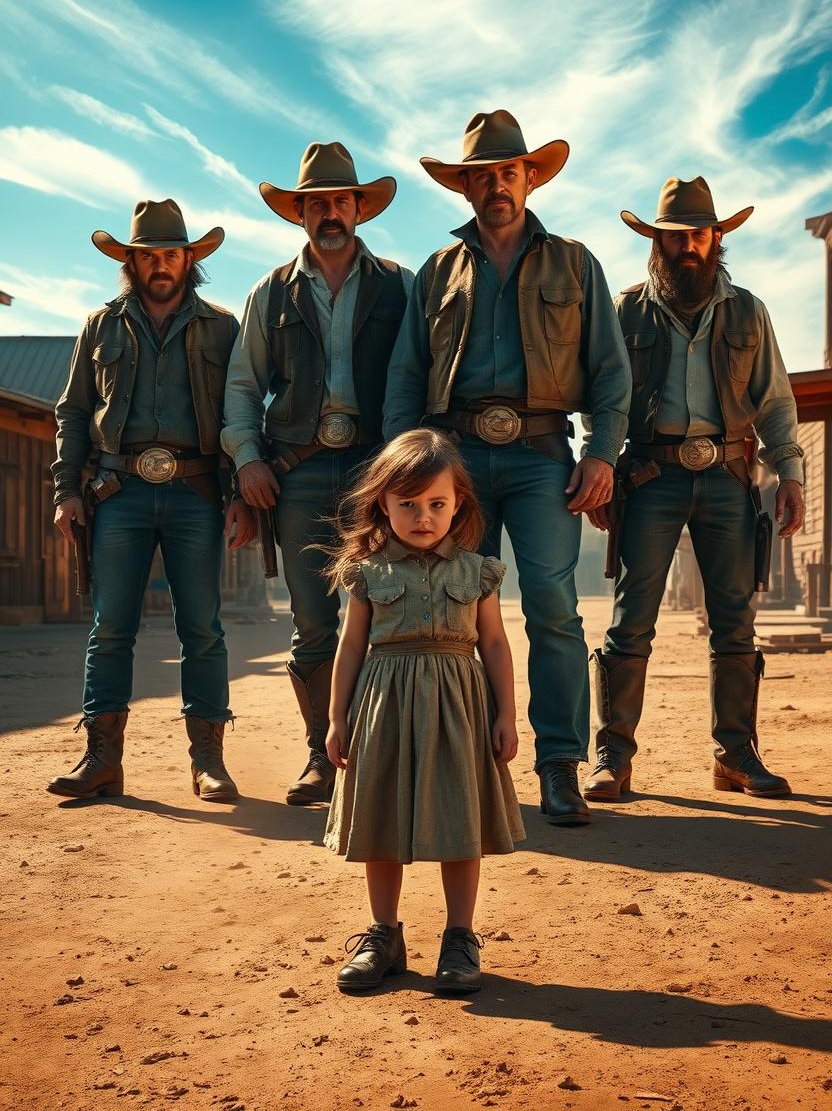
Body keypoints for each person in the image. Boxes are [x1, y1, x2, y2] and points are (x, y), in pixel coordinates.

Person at [384, 110, 631, 826]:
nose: (497, 185)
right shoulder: (437, 271)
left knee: (554, 607)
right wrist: (407, 467)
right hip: (451, 458)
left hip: (542, 456)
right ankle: (464, 762)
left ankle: (559, 767)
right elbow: (408, 372)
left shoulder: (576, 262)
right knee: (453, 607)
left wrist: (603, 453)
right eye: (483, 176)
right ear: (465, 189)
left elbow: (610, 372)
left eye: (509, 172)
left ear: (529, 179)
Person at [585, 177, 804, 801]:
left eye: (700, 235)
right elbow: (600, 399)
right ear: (656, 241)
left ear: (717, 240)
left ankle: (736, 756)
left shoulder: (748, 310)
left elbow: (776, 401)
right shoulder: (624, 310)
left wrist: (789, 473)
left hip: (731, 476)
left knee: (735, 623)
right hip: (648, 478)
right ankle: (613, 759)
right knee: (631, 621)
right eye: (676, 235)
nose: (689, 245)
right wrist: (599, 468)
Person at [222, 142, 413, 806]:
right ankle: (320, 757)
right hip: (296, 473)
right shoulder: (269, 293)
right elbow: (244, 387)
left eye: (340, 201)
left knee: (389, 612)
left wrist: (411, 466)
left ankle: (382, 757)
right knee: (312, 622)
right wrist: (247, 460)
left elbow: (416, 374)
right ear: (299, 213)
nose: (330, 212)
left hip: (379, 472)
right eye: (316, 204)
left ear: (359, 208)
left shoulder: (400, 284)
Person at [49, 199, 255, 802]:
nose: (160, 265)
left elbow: (240, 411)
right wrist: (66, 491)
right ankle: (102, 760)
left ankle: (208, 762)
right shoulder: (101, 326)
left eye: (171, 254)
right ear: (131, 262)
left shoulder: (223, 326)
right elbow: (73, 414)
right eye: (148, 256)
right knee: (110, 627)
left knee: (203, 629)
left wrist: (240, 493)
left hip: (197, 492)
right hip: (118, 492)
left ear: (189, 259)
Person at [323, 428, 524, 994]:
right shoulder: (367, 573)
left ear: (458, 501)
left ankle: (460, 937)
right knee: (381, 817)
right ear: (381, 504)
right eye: (406, 504)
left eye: (436, 503)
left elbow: (496, 645)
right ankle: (383, 935)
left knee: (460, 820)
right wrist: (337, 719)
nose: (422, 517)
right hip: (382, 706)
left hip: (459, 707)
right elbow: (350, 647)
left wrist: (507, 714)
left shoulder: (477, 572)